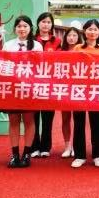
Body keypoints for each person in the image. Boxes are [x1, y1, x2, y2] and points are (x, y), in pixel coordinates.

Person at [1, 16, 43, 168]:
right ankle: (14, 154)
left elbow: (40, 67)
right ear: (15, 29)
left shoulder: (37, 46)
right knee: (13, 121)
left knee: (29, 120)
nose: (22, 29)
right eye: (19, 26)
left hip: (30, 89)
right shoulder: (8, 45)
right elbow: (2, 64)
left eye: (25, 26)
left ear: (30, 28)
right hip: (12, 88)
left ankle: (27, 153)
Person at [71, 19, 99, 168]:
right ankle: (79, 155)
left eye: (95, 29)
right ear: (84, 31)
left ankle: (98, 155)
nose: (92, 32)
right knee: (79, 123)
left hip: (96, 90)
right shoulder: (77, 48)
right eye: (89, 29)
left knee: (97, 123)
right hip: (79, 90)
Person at [31, 12, 62, 158]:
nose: (46, 25)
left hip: (50, 84)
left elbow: (61, 60)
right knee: (33, 117)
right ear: (38, 23)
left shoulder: (57, 41)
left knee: (48, 118)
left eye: (49, 22)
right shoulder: (31, 40)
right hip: (32, 84)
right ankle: (33, 146)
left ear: (52, 25)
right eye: (43, 22)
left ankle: (45, 147)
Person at [59, 27, 83, 158]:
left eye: (74, 35)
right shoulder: (60, 52)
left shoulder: (82, 51)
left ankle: (77, 146)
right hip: (64, 89)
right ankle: (67, 146)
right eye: (69, 35)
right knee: (65, 118)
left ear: (78, 37)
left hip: (79, 89)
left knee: (78, 119)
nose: (71, 38)